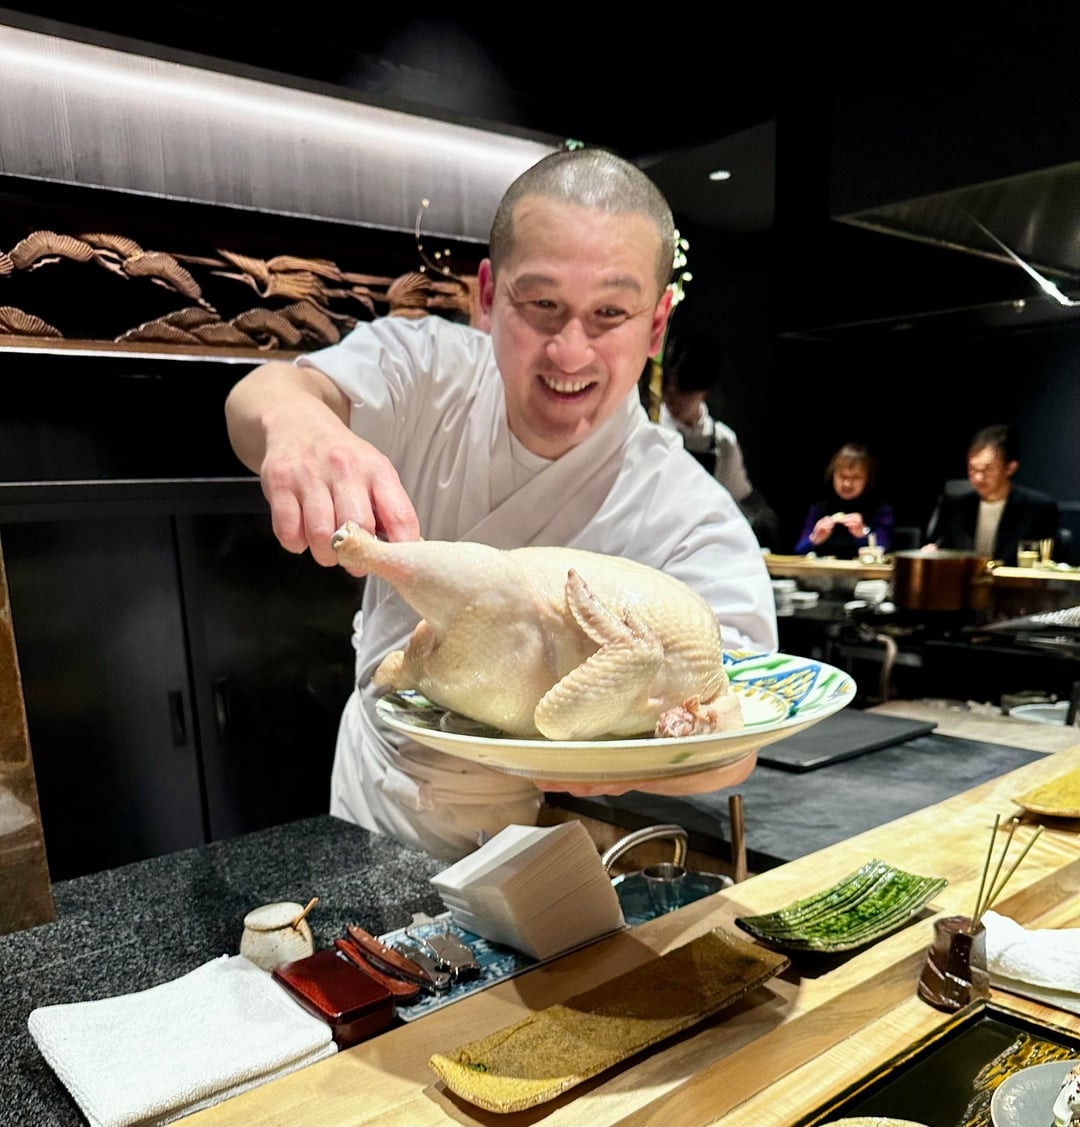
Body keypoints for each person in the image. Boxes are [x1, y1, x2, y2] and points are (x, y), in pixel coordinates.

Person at [223, 147, 778, 861]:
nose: (570, 352)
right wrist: (299, 424)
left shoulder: (691, 514)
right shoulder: (429, 370)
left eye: (610, 312)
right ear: (487, 297)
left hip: (549, 836)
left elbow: (736, 740)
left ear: (656, 323)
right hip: (370, 795)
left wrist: (618, 754)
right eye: (541, 304)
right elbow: (262, 394)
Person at [655, 332, 781, 549]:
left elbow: (740, 499)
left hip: (699, 544)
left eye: (683, 392)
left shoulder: (722, 441)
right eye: (668, 389)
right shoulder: (652, 428)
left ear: (703, 392)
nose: (671, 397)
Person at [925, 423, 1059, 565]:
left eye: (988, 469)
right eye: (972, 469)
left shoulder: (1038, 509)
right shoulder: (954, 507)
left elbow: (1046, 563)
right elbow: (943, 547)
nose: (978, 478)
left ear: (1010, 468)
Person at [794, 443, 894, 558]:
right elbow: (798, 551)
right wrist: (814, 539)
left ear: (867, 479)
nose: (847, 484)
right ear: (833, 475)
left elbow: (884, 551)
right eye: (842, 476)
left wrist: (863, 534)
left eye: (856, 477)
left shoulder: (881, 509)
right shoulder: (820, 507)